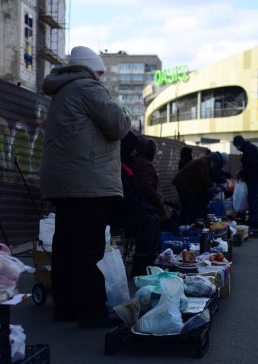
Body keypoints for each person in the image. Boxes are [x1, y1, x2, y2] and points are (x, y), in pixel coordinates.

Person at [40, 46, 131, 325]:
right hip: (87, 182)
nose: (101, 78)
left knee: (66, 245)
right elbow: (118, 125)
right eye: (100, 72)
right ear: (90, 69)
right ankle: (90, 310)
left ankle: (66, 308)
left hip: (67, 181)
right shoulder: (87, 87)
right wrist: (124, 109)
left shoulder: (62, 90)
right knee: (89, 247)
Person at [109, 131, 160, 277]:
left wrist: (147, 208)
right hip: (117, 214)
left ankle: (149, 262)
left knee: (153, 218)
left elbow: (135, 197)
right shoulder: (121, 169)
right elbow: (128, 200)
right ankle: (140, 265)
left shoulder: (127, 167)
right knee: (149, 221)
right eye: (133, 150)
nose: (134, 153)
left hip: (126, 211)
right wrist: (146, 208)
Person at [172, 151, 226, 225]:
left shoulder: (204, 162)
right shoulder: (203, 163)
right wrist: (213, 187)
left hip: (185, 184)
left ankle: (184, 224)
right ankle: (185, 224)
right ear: (213, 161)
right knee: (189, 205)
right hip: (183, 185)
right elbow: (204, 178)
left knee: (187, 206)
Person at [132, 136, 173, 222]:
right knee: (171, 219)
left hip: (141, 203)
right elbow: (147, 188)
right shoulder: (145, 165)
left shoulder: (135, 161)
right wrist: (160, 203)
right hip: (146, 205)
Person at [232, 135, 258, 228]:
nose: (237, 148)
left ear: (239, 144)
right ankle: (253, 220)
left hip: (253, 178)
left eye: (236, 146)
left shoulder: (249, 150)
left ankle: (253, 222)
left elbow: (250, 166)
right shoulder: (250, 148)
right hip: (254, 177)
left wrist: (241, 173)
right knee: (253, 199)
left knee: (252, 199)